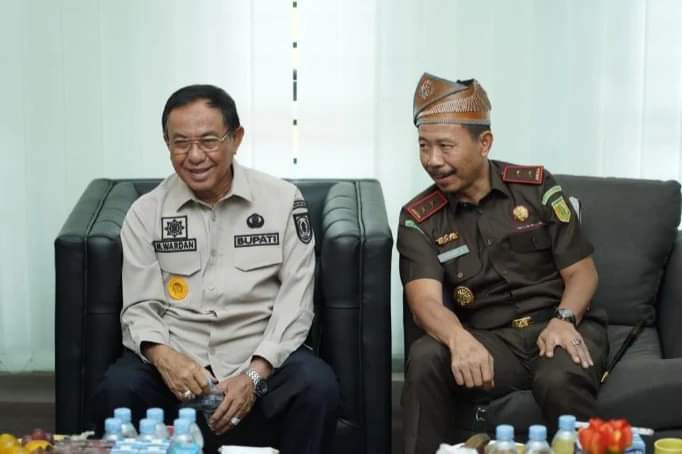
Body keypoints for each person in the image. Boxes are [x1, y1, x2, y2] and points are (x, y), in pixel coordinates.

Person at [91, 84, 339, 454]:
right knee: (118, 388)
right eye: (180, 143)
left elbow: (296, 303)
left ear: (236, 139)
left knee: (316, 386)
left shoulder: (283, 201)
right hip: (177, 360)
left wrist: (254, 374)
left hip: (260, 359)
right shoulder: (146, 212)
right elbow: (140, 307)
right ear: (167, 144)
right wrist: (166, 358)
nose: (194, 156)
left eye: (208, 141)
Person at [398, 74, 609, 454]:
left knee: (558, 377)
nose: (432, 160)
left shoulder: (536, 188)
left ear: (484, 143)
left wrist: (564, 318)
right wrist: (460, 339)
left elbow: (582, 272)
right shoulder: (420, 217)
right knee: (427, 355)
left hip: (557, 324)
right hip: (491, 341)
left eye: (445, 146)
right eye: (424, 147)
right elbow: (424, 302)